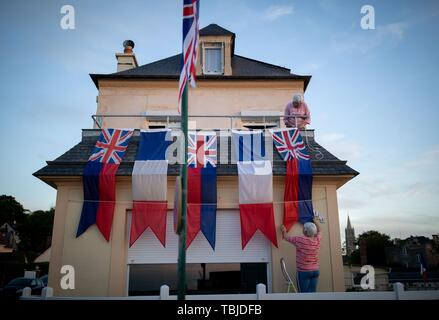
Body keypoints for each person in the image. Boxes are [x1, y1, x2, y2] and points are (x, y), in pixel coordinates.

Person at [281, 218, 321, 293]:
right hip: (315, 271)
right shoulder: (317, 240)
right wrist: (314, 221)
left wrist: (284, 231)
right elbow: (319, 230)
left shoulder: (300, 240)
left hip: (304, 271)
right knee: (313, 293)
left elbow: (286, 238)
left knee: (303, 295)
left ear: (304, 231)